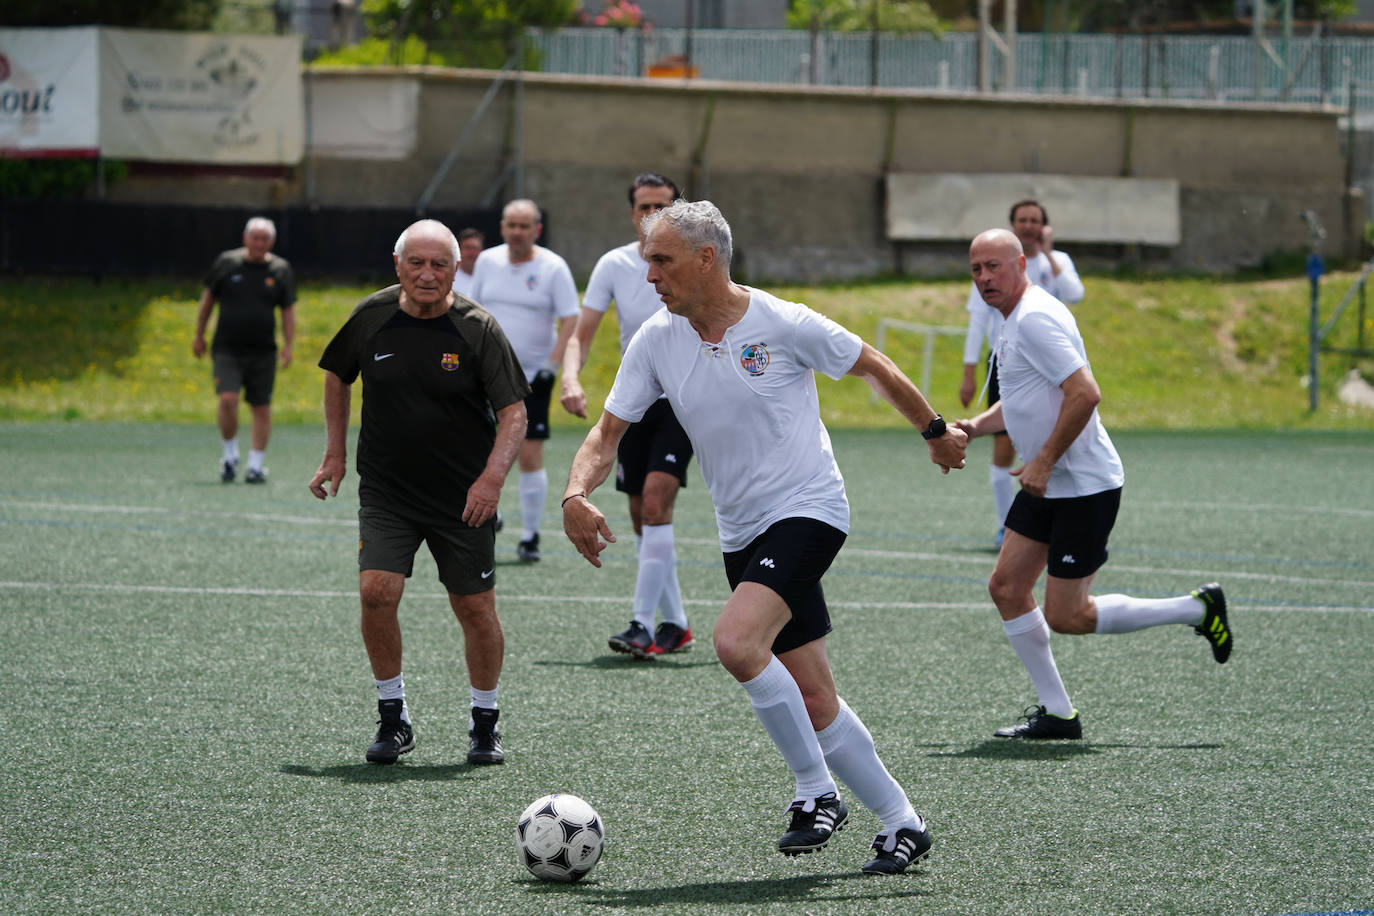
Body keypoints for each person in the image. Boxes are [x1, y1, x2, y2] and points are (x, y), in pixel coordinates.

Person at [562, 200, 967, 874]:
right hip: (741, 531)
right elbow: (607, 435)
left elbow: (875, 365)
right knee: (814, 697)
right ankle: (904, 823)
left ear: (705, 258)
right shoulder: (656, 340)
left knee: (735, 642)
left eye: (661, 260)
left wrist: (936, 433)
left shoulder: (782, 321)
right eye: (646, 261)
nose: (649, 275)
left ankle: (817, 793)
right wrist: (576, 494)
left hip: (809, 509)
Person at [954, 228, 1232, 741]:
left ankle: (1197, 608)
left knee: (1070, 616)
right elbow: (1022, 399)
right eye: (976, 270)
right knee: (1007, 587)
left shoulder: (1035, 318)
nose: (984, 278)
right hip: (1047, 482)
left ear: (1021, 264)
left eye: (994, 267)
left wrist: (1041, 461)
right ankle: (1059, 714)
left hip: (1082, 485)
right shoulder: (1009, 320)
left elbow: (1085, 393)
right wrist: (975, 426)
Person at [308, 219, 530, 766]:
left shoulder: (478, 328)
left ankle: (485, 722)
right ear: (397, 265)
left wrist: (491, 479)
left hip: (464, 499)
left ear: (456, 269)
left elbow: (514, 413)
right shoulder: (371, 317)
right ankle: (393, 717)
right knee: (376, 592)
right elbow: (337, 375)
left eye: (439, 265)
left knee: (474, 608)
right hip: (387, 493)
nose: (427, 274)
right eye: (417, 263)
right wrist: (334, 453)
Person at [560, 173, 695, 658]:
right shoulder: (614, 264)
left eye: (662, 206)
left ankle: (641, 623)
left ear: (678, 209)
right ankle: (676, 623)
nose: (651, 216)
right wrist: (571, 377)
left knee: (657, 503)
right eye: (644, 207)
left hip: (683, 400)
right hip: (634, 402)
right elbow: (583, 330)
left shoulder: (697, 260)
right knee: (642, 516)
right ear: (631, 212)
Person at [960, 199, 1084, 546]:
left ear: (1044, 226)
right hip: (1006, 358)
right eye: (1021, 220)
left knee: (1058, 426)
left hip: (1050, 360)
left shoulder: (1049, 276)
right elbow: (977, 320)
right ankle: (1007, 524)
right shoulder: (990, 266)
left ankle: (1054, 493)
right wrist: (969, 373)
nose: (1028, 225)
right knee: (1005, 445)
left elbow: (1076, 294)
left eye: (1034, 220)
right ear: (1012, 224)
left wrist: (1047, 254)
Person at [470, 200, 581, 562]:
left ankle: (530, 536)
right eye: (511, 225)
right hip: (486, 373)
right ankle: (492, 514)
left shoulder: (553, 267)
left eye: (525, 225)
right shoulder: (487, 262)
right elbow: (473, 311)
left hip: (533, 375)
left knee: (529, 453)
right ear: (502, 227)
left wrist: (554, 366)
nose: (517, 231)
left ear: (537, 229)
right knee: (479, 448)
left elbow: (571, 320)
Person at [193, 216, 296, 484]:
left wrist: (288, 345)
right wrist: (199, 335)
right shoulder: (227, 263)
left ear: (271, 242)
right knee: (228, 399)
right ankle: (229, 455)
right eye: (255, 238)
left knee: (261, 406)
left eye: (265, 239)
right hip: (227, 348)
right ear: (245, 238)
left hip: (263, 351)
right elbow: (208, 300)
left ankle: (255, 465)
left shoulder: (281, 270)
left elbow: (287, 310)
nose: (259, 243)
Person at [451, 227, 484, 298]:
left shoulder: (489, 277)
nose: (472, 253)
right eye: (467, 248)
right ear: (459, 251)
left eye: (475, 248)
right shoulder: (450, 278)